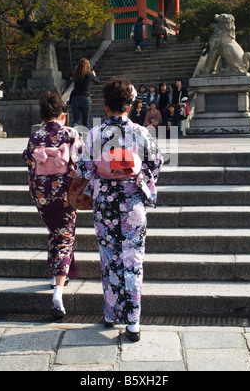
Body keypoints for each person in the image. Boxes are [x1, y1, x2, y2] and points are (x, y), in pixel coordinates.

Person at [76, 77, 164, 342]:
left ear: (105, 107)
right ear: (129, 105)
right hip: (132, 202)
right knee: (133, 260)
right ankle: (134, 321)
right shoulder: (140, 132)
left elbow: (83, 169)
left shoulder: (94, 134)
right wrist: (135, 172)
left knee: (109, 258)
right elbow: (156, 164)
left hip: (105, 204)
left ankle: (112, 312)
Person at [22, 91, 83, 320]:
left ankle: (56, 273)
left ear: (42, 116)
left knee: (55, 232)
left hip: (41, 193)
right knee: (64, 238)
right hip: (65, 193)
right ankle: (58, 292)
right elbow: (80, 160)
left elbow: (29, 161)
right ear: (63, 116)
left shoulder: (35, 136)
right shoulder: (70, 134)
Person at [70, 58, 100, 129]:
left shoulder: (75, 75)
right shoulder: (89, 75)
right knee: (85, 121)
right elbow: (98, 82)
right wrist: (94, 75)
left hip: (75, 98)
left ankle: (73, 135)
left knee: (76, 120)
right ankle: (85, 137)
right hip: (85, 98)